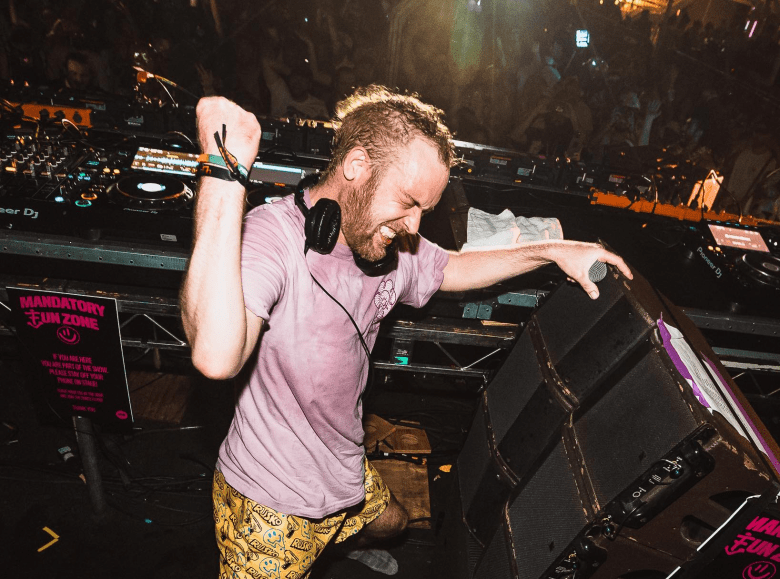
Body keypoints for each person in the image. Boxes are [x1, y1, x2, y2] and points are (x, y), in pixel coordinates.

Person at [180, 85, 632, 578]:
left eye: (425, 210)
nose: (415, 226)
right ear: (356, 165)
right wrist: (223, 173)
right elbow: (215, 357)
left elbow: (454, 267)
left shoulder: (386, 244)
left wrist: (554, 251)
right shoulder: (274, 237)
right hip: (272, 507)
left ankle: (338, 542)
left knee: (394, 522)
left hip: (342, 465)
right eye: (408, 201)